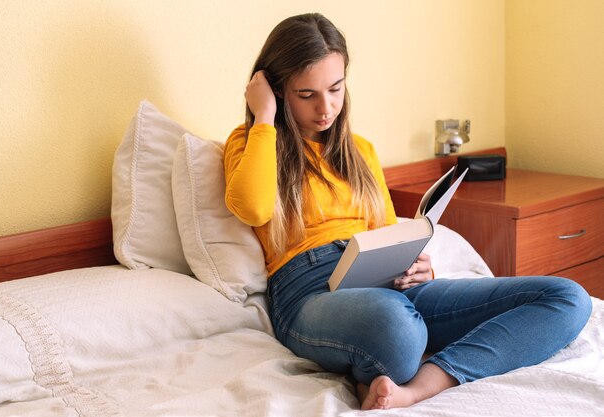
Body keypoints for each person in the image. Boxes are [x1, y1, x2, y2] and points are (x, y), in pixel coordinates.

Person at [223, 13, 592, 410]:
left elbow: (386, 234)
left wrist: (418, 266)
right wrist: (264, 117)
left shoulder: (360, 151)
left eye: (335, 88)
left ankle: (422, 385)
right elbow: (253, 206)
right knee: (396, 326)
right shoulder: (252, 142)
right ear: (277, 91)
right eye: (306, 94)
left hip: (387, 286)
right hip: (310, 292)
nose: (326, 108)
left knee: (567, 298)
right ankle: (395, 357)